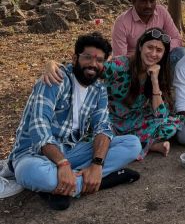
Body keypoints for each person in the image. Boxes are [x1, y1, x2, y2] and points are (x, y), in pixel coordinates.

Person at [7, 33, 141, 211]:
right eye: (87, 57)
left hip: (71, 151)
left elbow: (103, 127)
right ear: (75, 58)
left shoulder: (98, 89)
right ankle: (102, 182)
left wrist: (97, 164)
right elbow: (39, 126)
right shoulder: (55, 80)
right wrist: (62, 164)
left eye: (99, 60)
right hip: (34, 155)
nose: (93, 64)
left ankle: (67, 185)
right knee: (29, 172)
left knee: (132, 144)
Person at [43, 29, 184, 158]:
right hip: (109, 121)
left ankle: (135, 145)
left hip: (135, 120)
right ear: (141, 46)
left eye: (159, 50)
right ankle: (145, 145)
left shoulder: (158, 72)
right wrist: (52, 64)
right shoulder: (120, 66)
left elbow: (160, 115)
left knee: (170, 125)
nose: (153, 54)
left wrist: (154, 80)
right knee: (91, 142)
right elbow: (88, 67)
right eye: (150, 47)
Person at [111, 0, 185, 66]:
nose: (148, 6)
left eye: (152, 1)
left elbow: (177, 39)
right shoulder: (122, 22)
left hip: (160, 58)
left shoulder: (161, 12)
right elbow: (120, 57)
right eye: (143, 1)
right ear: (133, 1)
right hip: (135, 64)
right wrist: (145, 57)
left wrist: (159, 50)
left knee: (182, 53)